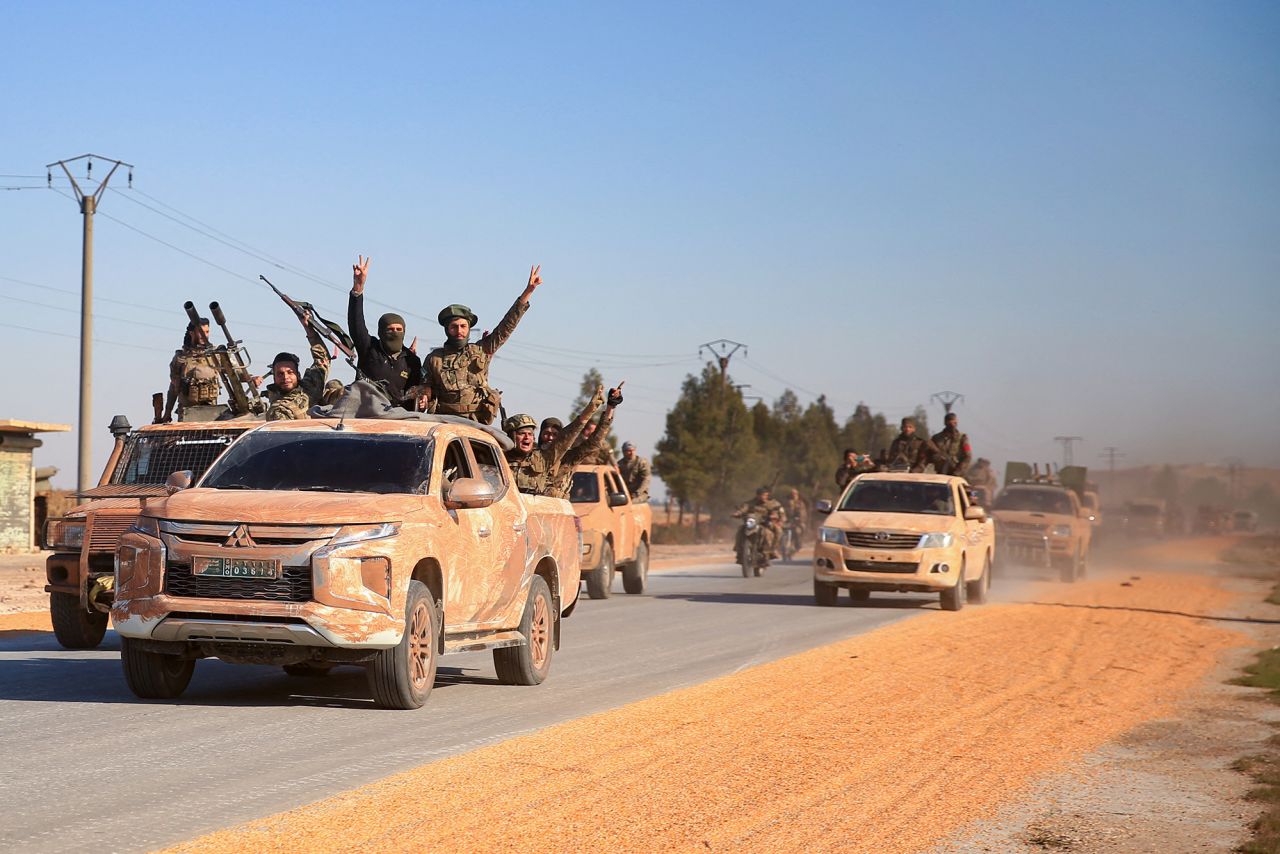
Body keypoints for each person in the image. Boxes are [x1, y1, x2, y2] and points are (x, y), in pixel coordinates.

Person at [422, 265, 542, 424]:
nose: (459, 330)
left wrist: (528, 292)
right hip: (443, 421)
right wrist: (423, 395)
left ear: (469, 328)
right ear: (447, 329)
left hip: (476, 422)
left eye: (463, 326)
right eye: (454, 326)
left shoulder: (481, 350)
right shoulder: (434, 358)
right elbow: (425, 386)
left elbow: (506, 327)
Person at [347, 255, 422, 410]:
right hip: (365, 414)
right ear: (381, 331)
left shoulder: (411, 361)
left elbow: (415, 394)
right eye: (390, 329)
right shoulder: (369, 348)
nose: (395, 333)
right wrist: (358, 289)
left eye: (399, 330)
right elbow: (356, 323)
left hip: (397, 420)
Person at [504, 385, 605, 495]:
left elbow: (570, 435)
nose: (527, 437)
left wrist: (591, 409)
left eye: (530, 434)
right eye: (522, 434)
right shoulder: (499, 458)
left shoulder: (542, 458)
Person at [257, 313, 342, 421]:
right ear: (274, 378)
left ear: (297, 375)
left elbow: (322, 359)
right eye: (280, 374)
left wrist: (309, 330)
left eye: (290, 372)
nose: (285, 377)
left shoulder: (310, 387)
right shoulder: (278, 410)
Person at [546, 385, 624, 500]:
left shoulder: (567, 460)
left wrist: (610, 407)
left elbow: (594, 440)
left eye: (554, 435)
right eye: (546, 434)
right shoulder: (531, 457)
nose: (550, 438)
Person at [160, 316, 219, 423]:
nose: (204, 336)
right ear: (192, 333)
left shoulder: (216, 355)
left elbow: (234, 373)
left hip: (211, 412)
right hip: (187, 413)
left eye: (207, 332)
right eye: (201, 332)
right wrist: (168, 412)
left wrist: (249, 378)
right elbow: (174, 387)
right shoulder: (181, 358)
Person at [733, 486, 786, 561]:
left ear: (767, 495)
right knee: (741, 530)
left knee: (778, 531)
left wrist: (777, 518)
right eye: (761, 495)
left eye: (764, 495)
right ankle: (739, 551)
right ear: (757, 495)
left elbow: (781, 513)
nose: (763, 497)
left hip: (767, 522)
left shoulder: (774, 503)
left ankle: (772, 550)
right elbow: (743, 509)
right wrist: (738, 513)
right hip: (753, 522)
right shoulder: (751, 503)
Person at [931, 412, 972, 477]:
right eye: (950, 423)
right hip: (940, 473)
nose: (952, 425)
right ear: (945, 423)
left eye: (954, 423)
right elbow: (929, 454)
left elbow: (968, 456)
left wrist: (958, 471)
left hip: (957, 473)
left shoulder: (962, 438)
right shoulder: (936, 438)